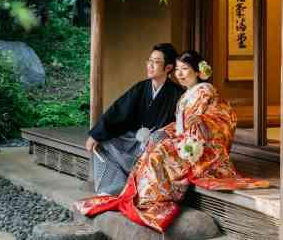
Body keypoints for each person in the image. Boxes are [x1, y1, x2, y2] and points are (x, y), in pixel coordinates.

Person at [75, 50, 270, 232]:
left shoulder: (204, 90)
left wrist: (194, 126)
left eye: (185, 69)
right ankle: (137, 196)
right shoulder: (186, 93)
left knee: (158, 153)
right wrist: (164, 133)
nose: (181, 74)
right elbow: (177, 124)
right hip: (183, 139)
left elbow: (216, 119)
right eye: (178, 70)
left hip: (199, 146)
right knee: (149, 148)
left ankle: (153, 200)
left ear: (198, 71)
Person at [85, 43, 184, 195]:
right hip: (136, 140)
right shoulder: (141, 88)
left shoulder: (177, 94)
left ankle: (140, 186)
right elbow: (119, 110)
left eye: (156, 62)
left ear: (169, 68)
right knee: (102, 143)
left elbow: (178, 127)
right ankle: (114, 186)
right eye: (149, 61)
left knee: (156, 142)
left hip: (157, 145)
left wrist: (157, 137)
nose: (150, 65)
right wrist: (96, 134)